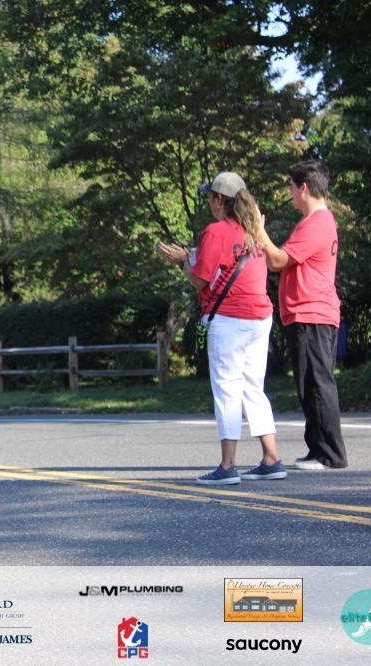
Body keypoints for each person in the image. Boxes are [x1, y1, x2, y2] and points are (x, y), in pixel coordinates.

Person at [156, 172, 285, 485]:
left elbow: (200, 279)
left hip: (229, 319)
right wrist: (191, 256)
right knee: (253, 387)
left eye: (210, 197)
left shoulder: (215, 231)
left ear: (219, 200)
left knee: (227, 388)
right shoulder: (254, 231)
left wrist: (182, 262)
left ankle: (228, 466)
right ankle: (271, 458)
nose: (209, 203)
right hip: (260, 317)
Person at [254, 160, 347, 470]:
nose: (291, 193)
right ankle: (317, 447)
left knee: (317, 383)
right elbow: (279, 261)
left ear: (304, 188)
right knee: (309, 384)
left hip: (311, 313)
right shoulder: (314, 221)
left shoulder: (316, 223)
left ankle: (330, 454)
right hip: (307, 313)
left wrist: (259, 231)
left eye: (292, 187)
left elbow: (278, 260)